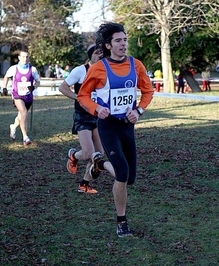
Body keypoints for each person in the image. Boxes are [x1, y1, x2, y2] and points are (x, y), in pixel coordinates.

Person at [78, 22, 154, 237]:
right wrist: (97, 109)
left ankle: (99, 163)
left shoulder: (136, 65)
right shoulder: (98, 68)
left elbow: (148, 91)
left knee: (130, 178)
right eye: (118, 41)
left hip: (127, 125)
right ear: (108, 45)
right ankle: (122, 222)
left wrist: (138, 111)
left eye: (125, 40)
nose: (123, 44)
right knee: (121, 173)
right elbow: (83, 95)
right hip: (108, 125)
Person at [59, 44, 115, 194]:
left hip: (98, 115)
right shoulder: (80, 70)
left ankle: (84, 184)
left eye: (103, 54)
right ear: (91, 55)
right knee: (88, 152)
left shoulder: (105, 71)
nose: (100, 56)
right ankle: (73, 155)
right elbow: (62, 87)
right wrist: (79, 98)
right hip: (82, 117)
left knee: (98, 154)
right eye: (97, 53)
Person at [3, 48, 41, 146]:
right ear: (19, 57)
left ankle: (13, 127)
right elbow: (6, 76)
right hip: (17, 95)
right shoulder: (13, 68)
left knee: (21, 115)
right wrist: (4, 87)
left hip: (28, 96)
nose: (25, 59)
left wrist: (34, 86)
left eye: (27, 57)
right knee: (24, 112)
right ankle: (25, 137)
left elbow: (38, 81)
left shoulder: (33, 69)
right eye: (23, 57)